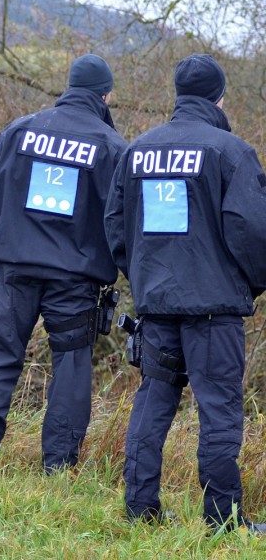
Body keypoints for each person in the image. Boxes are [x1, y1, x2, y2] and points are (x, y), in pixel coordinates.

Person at [105, 54, 266, 531]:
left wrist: (142, 277)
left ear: (177, 94)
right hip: (214, 312)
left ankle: (140, 508)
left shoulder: (137, 151)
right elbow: (253, 232)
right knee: (218, 411)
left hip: (156, 305)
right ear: (219, 97)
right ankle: (222, 519)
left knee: (153, 401)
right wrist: (247, 286)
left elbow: (116, 227)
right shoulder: (230, 152)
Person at [0, 54, 127, 478]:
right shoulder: (111, 147)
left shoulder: (19, 131)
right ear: (105, 95)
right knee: (70, 364)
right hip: (76, 278)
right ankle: (58, 468)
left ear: (68, 86)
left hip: (14, 270)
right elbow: (123, 223)